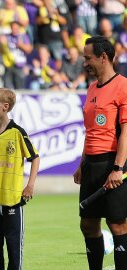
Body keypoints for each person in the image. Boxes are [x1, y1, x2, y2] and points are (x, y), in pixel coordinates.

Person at [73, 36, 127, 270]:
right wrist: (82, 163)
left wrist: (118, 168)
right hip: (91, 165)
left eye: (88, 58)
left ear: (103, 57)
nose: (85, 63)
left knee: (117, 225)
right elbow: (91, 130)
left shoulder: (123, 86)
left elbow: (126, 131)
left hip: (112, 163)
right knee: (88, 224)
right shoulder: (92, 88)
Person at [0, 87, 40, 270]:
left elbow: (35, 158)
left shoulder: (17, 132)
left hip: (11, 200)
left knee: (14, 249)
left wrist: (30, 185)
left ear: (5, 106)